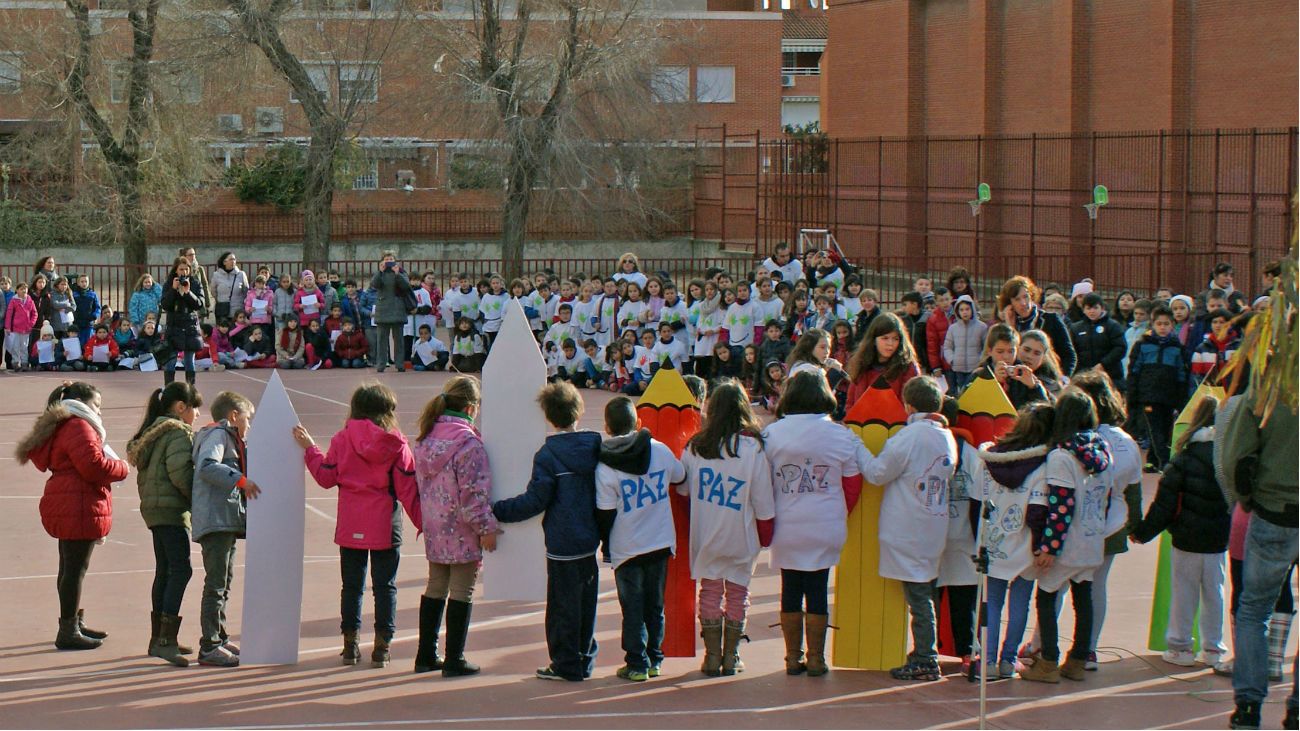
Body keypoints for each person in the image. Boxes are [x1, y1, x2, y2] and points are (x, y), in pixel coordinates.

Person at [294, 383, 424, 668]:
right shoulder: (397, 443)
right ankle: (382, 647)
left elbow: (326, 476)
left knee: (351, 587)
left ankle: (350, 645)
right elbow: (407, 489)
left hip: (351, 521)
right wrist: (424, 523)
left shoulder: (342, 439)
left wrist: (310, 449)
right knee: (385, 587)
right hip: (385, 523)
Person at [491, 382, 603, 682]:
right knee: (586, 602)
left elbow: (536, 500)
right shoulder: (595, 446)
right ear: (578, 411)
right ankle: (584, 657)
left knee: (562, 606)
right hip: (590, 537)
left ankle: (565, 662)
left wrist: (497, 509)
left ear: (548, 417)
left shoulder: (548, 454)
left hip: (562, 540)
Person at [855, 377, 959, 682]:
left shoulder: (910, 436)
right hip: (934, 523)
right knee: (925, 590)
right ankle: (927, 653)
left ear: (909, 406)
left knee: (918, 596)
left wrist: (858, 445)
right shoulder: (946, 436)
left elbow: (876, 473)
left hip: (908, 525)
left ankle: (926, 658)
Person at [16, 382, 130, 650]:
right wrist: (122, 468)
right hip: (78, 501)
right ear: (81, 402)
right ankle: (68, 629)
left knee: (69, 567)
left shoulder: (64, 422)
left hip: (68, 498)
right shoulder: (79, 425)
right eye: (96, 406)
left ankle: (72, 622)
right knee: (75, 569)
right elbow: (92, 466)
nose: (99, 412)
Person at [764, 370, 864, 677]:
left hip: (786, 521)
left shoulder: (771, 434)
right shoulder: (842, 434)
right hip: (826, 520)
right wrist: (836, 512)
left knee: (790, 586)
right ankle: (817, 658)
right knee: (818, 586)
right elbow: (853, 484)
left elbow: (761, 483)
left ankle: (792, 658)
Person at [678, 381, 775, 676]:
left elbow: (682, 491)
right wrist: (766, 533)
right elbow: (763, 499)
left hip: (706, 533)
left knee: (708, 591)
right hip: (741, 533)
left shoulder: (696, 446)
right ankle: (731, 656)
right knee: (737, 592)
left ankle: (711, 655)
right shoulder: (752, 448)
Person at [1019, 388, 1112, 683]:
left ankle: (1048, 661)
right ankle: (1077, 660)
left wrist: (1050, 546)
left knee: (1046, 597)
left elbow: (1061, 505)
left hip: (1068, 541)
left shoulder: (1062, 457)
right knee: (1083, 598)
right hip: (1093, 538)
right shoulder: (1102, 451)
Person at [1220, 384, 1299, 730]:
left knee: (1253, 608)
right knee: (1255, 608)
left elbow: (1235, 457)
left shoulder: (1270, 385)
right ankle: (1295, 709)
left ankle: (1249, 705)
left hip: (1274, 507)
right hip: (1274, 506)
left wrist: (1246, 499)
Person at [1129, 394, 1229, 666]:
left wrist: (1141, 532)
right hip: (1219, 539)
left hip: (1186, 537)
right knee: (1215, 593)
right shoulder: (1228, 457)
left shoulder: (1183, 459)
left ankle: (1181, 647)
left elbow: (1164, 504)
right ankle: (1213, 650)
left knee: (1184, 593)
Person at [411, 377, 501, 677]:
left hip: (435, 525)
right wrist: (485, 527)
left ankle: (425, 654)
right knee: (463, 590)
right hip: (461, 527)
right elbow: (473, 492)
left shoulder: (426, 437)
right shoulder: (468, 443)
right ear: (472, 407)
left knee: (435, 585)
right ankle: (454, 658)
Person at [594, 397, 686, 682]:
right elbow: (680, 477)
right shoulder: (659, 450)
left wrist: (604, 543)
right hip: (659, 542)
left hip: (627, 545)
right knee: (654, 606)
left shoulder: (605, 465)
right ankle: (655, 658)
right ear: (638, 423)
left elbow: (605, 512)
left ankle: (636, 663)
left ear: (607, 427)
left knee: (631, 608)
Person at [1069, 370, 1144, 670]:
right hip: (1114, 524)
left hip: (1076, 523)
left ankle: (1042, 645)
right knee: (1097, 586)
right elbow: (1135, 490)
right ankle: (1088, 649)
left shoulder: (1080, 440)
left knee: (1058, 585)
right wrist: (1136, 528)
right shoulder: (1127, 441)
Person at [975, 402, 1055, 679]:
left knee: (992, 602)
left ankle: (986, 661)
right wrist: (1040, 547)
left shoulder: (992, 457)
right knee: (1019, 602)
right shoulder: (1043, 466)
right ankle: (1008, 661)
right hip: (1025, 545)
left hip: (994, 540)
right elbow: (1038, 511)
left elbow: (979, 499)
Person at [126, 382, 203, 667]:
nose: (196, 415)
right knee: (181, 570)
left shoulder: (152, 431)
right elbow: (181, 473)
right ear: (181, 408)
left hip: (155, 508)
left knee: (166, 570)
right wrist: (200, 501)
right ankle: (164, 641)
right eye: (195, 408)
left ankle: (158, 637)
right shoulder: (178, 433)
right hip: (171, 509)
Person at [190, 391, 260, 667]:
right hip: (215, 519)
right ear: (234, 416)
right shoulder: (218, 436)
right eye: (248, 419)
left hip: (225, 518)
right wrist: (241, 481)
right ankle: (209, 646)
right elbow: (207, 466)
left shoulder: (231, 439)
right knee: (216, 583)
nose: (249, 425)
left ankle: (219, 636)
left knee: (224, 582)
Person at [1126, 305, 1188, 472]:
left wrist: (1180, 397)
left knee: (1163, 427)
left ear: (1172, 325)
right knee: (1154, 428)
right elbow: (1134, 369)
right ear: (1153, 324)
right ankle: (1165, 461)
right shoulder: (1143, 345)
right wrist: (1132, 392)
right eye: (1159, 324)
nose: (1162, 327)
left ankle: (1152, 461)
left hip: (1168, 396)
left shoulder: (1177, 348)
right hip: (1148, 395)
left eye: (1166, 324)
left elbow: (1182, 373)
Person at [998, 276, 1077, 376]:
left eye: (1026, 297)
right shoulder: (1008, 326)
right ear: (1010, 303)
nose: (1023, 303)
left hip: (1048, 379)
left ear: (1032, 296)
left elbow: (1069, 355)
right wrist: (1010, 327)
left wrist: (1063, 379)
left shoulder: (1050, 319)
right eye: (1017, 299)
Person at [845, 312, 921, 407]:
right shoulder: (861, 363)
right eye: (885, 338)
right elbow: (850, 402)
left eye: (895, 339)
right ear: (873, 340)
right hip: (862, 420)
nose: (890, 343)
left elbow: (910, 404)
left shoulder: (907, 367)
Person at [160, 257, 206, 386]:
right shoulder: (169, 284)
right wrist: (174, 290)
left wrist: (188, 292)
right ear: (175, 270)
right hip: (174, 324)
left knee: (189, 360)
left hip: (189, 324)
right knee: (171, 360)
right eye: (181, 269)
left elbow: (199, 304)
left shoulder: (195, 283)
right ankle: (169, 388)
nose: (184, 272)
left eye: (186, 269)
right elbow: (165, 305)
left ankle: (190, 389)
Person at [1069, 293, 1128, 387]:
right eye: (1088, 308)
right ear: (1083, 310)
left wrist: (1103, 364)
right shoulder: (1076, 328)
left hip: (1110, 375)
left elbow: (1120, 348)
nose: (1092, 311)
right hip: (1083, 376)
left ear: (1102, 308)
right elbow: (1072, 351)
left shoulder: (1112, 326)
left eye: (1095, 308)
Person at [370, 253, 411, 372]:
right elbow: (374, 285)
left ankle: (399, 363)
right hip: (383, 309)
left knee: (399, 339)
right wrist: (380, 272)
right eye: (386, 259)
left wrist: (397, 275)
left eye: (391, 259)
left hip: (398, 308)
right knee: (382, 339)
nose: (389, 261)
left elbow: (406, 286)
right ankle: (381, 364)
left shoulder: (402, 272)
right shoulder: (379, 273)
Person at [943, 294, 987, 393]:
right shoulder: (953, 328)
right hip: (959, 368)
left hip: (975, 367)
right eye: (961, 310)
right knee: (962, 392)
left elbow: (986, 347)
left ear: (972, 310)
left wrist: (980, 360)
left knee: (974, 392)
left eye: (967, 309)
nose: (965, 312)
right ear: (957, 311)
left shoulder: (981, 327)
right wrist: (952, 359)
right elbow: (947, 346)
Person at [5, 281, 38, 371]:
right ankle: (15, 362)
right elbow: (9, 314)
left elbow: (35, 313)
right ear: (17, 290)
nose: (24, 291)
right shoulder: (13, 300)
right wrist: (7, 327)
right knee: (15, 347)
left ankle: (24, 363)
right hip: (15, 328)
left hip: (26, 328)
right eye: (21, 289)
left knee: (24, 346)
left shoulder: (30, 300)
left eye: (25, 289)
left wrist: (31, 324)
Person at [211, 252, 249, 322]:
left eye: (234, 259)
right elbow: (213, 291)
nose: (233, 261)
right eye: (231, 259)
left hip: (237, 310)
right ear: (224, 262)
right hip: (222, 310)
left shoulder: (241, 274)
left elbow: (246, 291)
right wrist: (221, 299)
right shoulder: (216, 275)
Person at [178, 247, 212, 316]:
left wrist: (207, 303)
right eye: (190, 255)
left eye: (194, 254)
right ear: (184, 256)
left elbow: (205, 286)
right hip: (184, 303)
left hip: (198, 302)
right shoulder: (179, 269)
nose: (193, 257)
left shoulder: (199, 269)